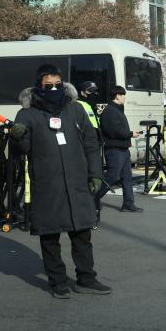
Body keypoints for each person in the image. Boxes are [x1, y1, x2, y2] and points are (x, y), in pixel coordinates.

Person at [9, 64, 111, 299]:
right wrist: (17, 137)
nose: (54, 89)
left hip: (77, 183)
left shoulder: (74, 110)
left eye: (57, 85)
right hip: (48, 185)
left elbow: (91, 145)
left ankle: (87, 279)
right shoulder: (27, 113)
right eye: (48, 86)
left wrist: (95, 174)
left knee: (82, 234)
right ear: (39, 86)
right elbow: (20, 151)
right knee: (50, 235)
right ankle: (57, 281)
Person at [96, 86, 143, 213]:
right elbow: (114, 131)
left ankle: (128, 204)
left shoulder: (116, 109)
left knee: (127, 177)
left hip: (122, 149)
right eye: (123, 95)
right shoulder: (110, 111)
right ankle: (92, 199)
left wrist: (129, 134)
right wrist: (130, 134)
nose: (124, 97)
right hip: (114, 150)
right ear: (117, 96)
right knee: (112, 176)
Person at [77, 81, 103, 228]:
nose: (93, 94)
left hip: (93, 144)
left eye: (95, 91)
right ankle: (90, 213)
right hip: (86, 146)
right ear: (82, 92)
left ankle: (93, 211)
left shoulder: (90, 105)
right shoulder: (80, 105)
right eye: (90, 91)